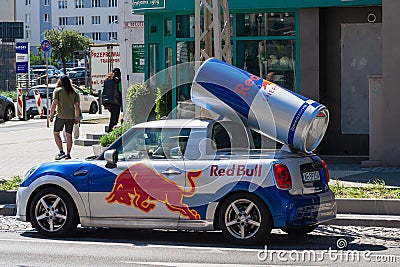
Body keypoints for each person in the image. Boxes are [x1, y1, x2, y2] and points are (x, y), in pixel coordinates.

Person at [49, 75, 80, 160]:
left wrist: (51, 115)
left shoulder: (58, 90)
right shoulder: (74, 92)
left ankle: (61, 152)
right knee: (69, 135)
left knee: (56, 133)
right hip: (71, 117)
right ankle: (68, 154)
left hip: (60, 116)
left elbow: (54, 104)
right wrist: (77, 117)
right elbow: (77, 106)